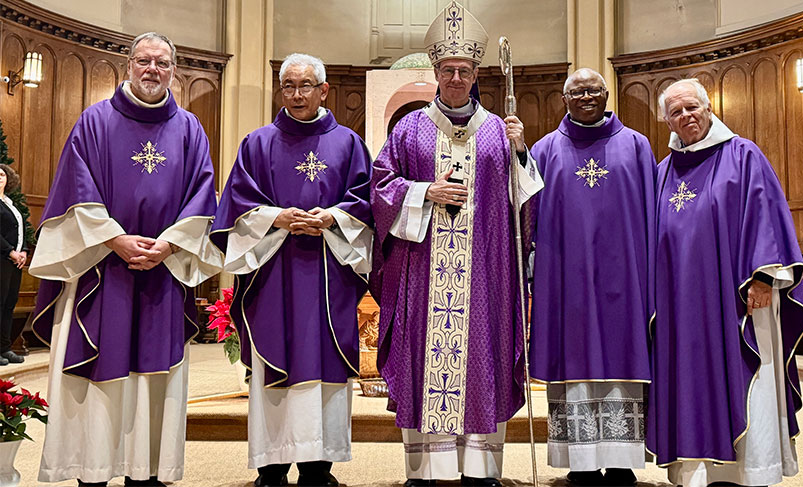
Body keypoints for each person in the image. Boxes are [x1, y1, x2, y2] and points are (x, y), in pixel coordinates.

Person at [28, 32, 222, 487]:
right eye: (144, 61)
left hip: (162, 273)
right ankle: (92, 471)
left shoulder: (190, 128)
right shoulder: (94, 121)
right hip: (102, 271)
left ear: (174, 70)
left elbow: (202, 196)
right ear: (128, 65)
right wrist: (115, 239)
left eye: (162, 62)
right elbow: (76, 191)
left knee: (154, 377)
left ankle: (146, 474)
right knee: (100, 373)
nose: (152, 69)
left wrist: (170, 244)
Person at [370, 2, 543, 485]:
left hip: (485, 274)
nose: (456, 78)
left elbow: (525, 205)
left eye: (464, 70)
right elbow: (381, 188)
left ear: (476, 74)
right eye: (447, 70)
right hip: (424, 271)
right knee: (426, 359)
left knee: (482, 360)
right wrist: (426, 191)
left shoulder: (498, 131)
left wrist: (521, 151)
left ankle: (480, 468)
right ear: (436, 72)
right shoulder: (410, 128)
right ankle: (428, 469)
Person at [211, 53, 372, 487]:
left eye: (306, 85)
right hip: (274, 272)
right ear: (280, 90)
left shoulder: (349, 144)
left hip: (327, 273)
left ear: (323, 90)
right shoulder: (257, 143)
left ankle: (319, 466)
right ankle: (272, 465)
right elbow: (236, 204)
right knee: (274, 361)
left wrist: (332, 218)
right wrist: (276, 218)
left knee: (324, 362)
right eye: (289, 85)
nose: (297, 94)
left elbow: (366, 201)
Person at [648, 78, 803, 487]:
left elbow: (766, 217)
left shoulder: (743, 155)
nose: (686, 117)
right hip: (681, 306)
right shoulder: (663, 171)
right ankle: (696, 472)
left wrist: (763, 279)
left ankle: (750, 471)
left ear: (708, 107)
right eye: (676, 111)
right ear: (666, 119)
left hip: (737, 300)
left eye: (692, 108)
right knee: (689, 382)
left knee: (742, 374)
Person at [527, 68, 655, 487]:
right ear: (563, 98)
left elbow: (654, 216)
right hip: (567, 282)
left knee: (622, 360)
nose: (586, 96)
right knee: (574, 361)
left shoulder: (636, 146)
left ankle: (621, 460)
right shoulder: (544, 150)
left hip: (625, 279)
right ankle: (580, 461)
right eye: (577, 91)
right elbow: (526, 219)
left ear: (606, 94)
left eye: (593, 90)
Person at [0, 164, 28, 365]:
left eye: (2, 174)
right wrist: (10, 251)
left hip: (14, 263)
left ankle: (4, 347)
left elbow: (21, 230)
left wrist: (24, 251)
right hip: (2, 258)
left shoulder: (10, 203)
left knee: (9, 305)